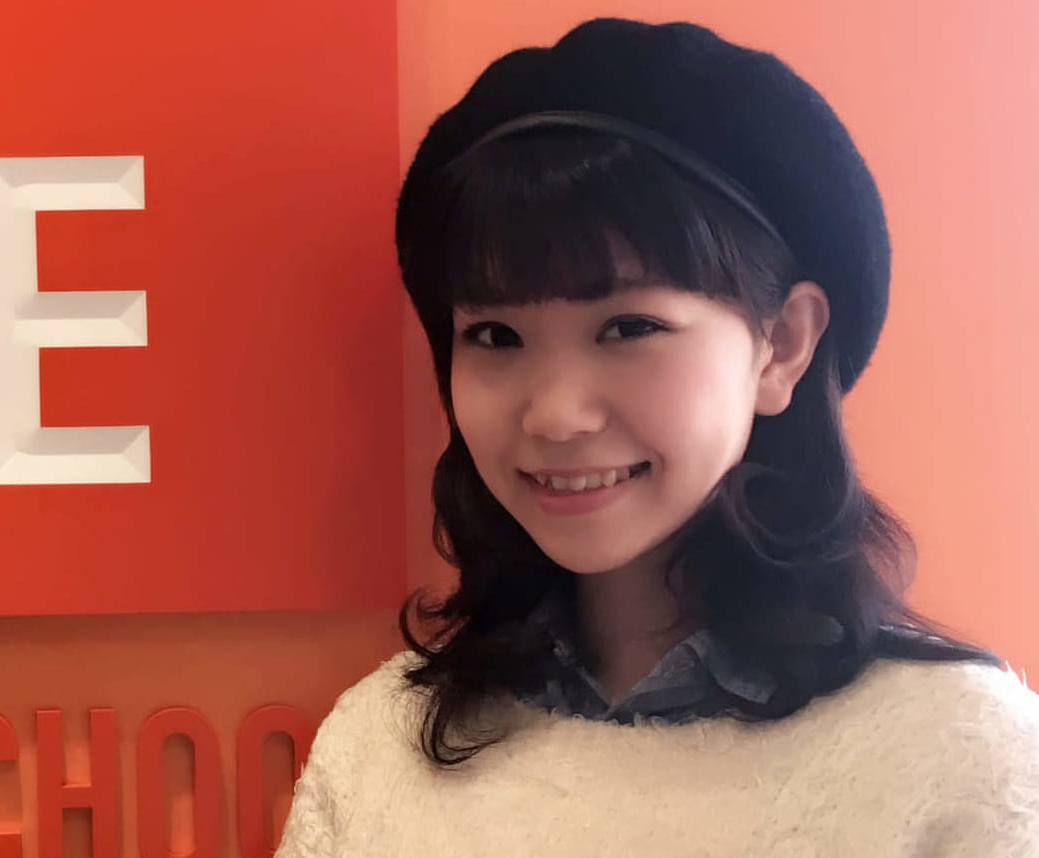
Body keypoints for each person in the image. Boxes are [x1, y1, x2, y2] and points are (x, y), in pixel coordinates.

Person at [276, 18, 1039, 857]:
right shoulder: (379, 745)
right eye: (495, 335)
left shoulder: (954, 759)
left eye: (628, 327)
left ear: (781, 345)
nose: (554, 415)